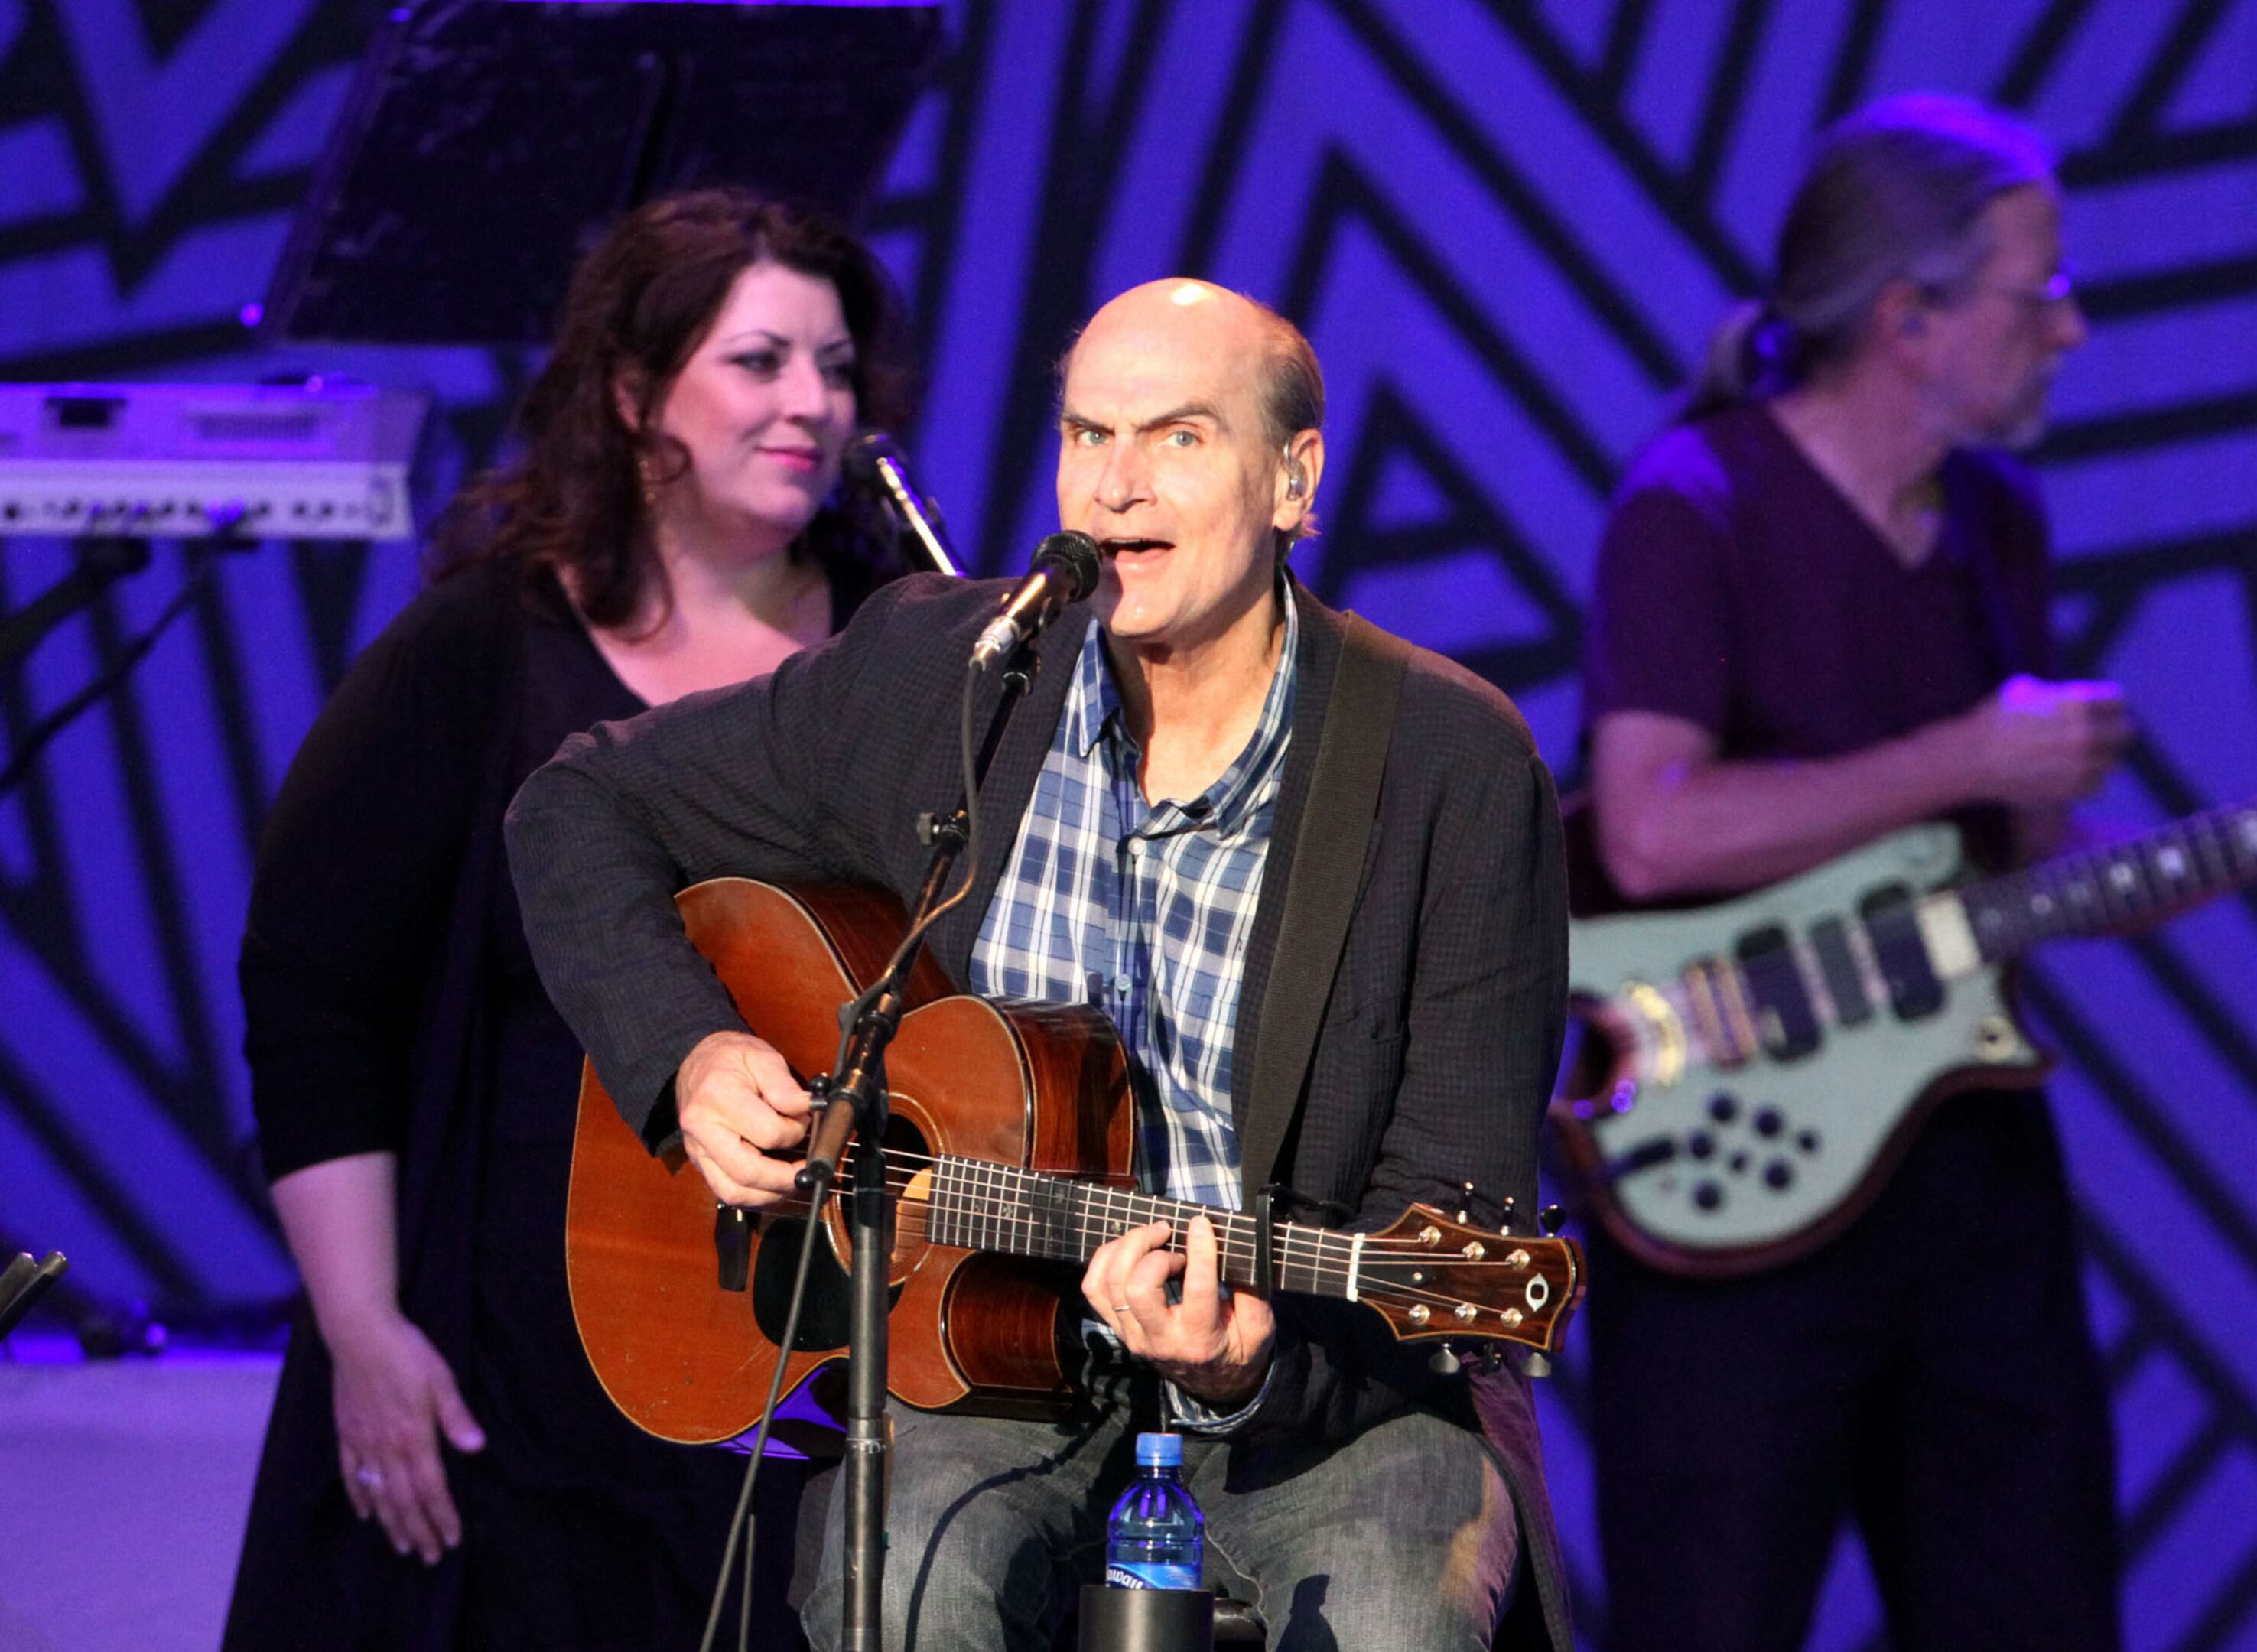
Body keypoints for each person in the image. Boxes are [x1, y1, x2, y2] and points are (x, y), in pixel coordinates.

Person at [503, 277, 1576, 1652]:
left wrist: (1249, 1363)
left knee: (1385, 1615)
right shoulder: (952, 674)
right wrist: (691, 1056)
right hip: (981, 1365)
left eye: (1179, 439)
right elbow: (584, 802)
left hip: (1330, 1380)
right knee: (895, 1583)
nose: (1117, 488)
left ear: (1294, 480)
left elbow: (1452, 1193)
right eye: (1088, 436)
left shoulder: (1452, 763)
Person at [1575, 95, 2257, 1650]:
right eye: (2038, 290)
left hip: (1969, 1175)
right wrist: (1965, 757)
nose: (2071, 327)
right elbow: (1649, 828)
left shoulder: (1995, 518)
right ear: (1910, 318)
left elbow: (2040, 869)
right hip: (1732, 1190)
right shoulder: (1695, 500)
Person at [226, 187, 911, 1651]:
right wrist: (363, 1330)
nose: (812, 403)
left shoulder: (904, 639)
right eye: (761, 360)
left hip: (814, 1361)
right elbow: (314, 996)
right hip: (511, 1366)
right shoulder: (482, 651)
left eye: (837, 368)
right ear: (630, 388)